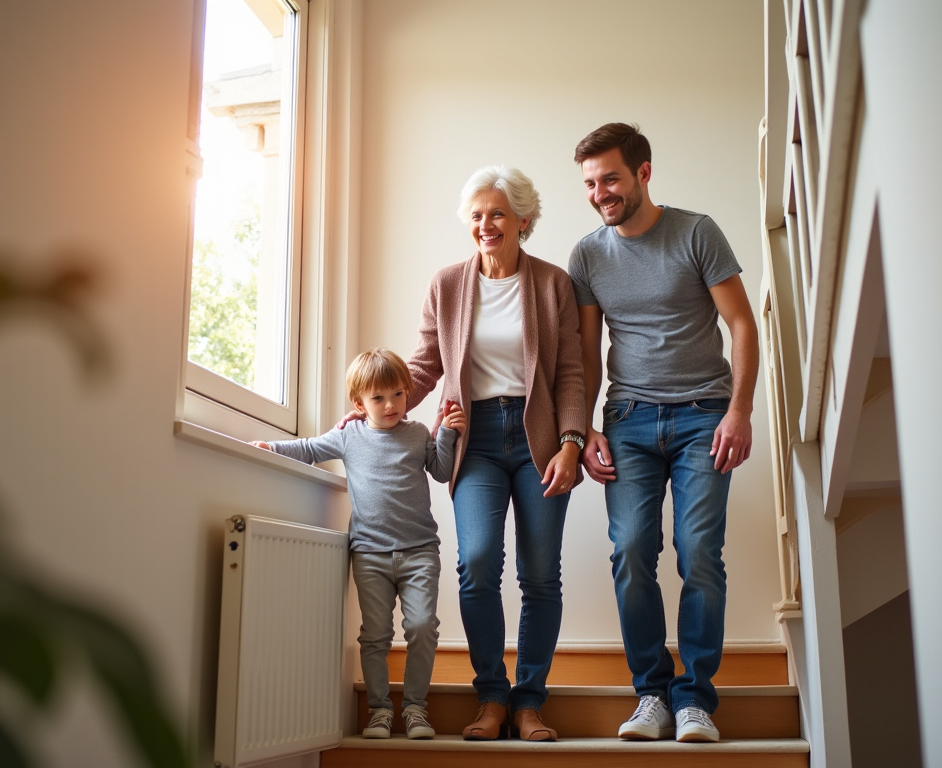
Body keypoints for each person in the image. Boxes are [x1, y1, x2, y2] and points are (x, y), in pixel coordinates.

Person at [568, 123, 759, 743]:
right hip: (628, 420)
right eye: (590, 183)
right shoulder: (588, 255)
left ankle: (695, 699)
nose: (600, 193)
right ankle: (651, 694)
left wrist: (739, 411)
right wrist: (585, 428)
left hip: (705, 414)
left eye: (611, 179)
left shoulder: (696, 232)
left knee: (698, 551)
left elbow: (742, 324)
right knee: (630, 551)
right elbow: (587, 353)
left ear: (643, 173)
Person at [404, 166, 586, 741]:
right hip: (474, 438)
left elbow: (571, 373)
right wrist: (372, 402)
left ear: (523, 221)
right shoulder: (447, 285)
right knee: (478, 564)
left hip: (539, 439)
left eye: (498, 214)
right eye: (477, 215)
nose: (486, 225)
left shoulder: (553, 284)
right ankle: (491, 699)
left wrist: (572, 442)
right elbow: (425, 365)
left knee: (540, 575)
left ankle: (529, 704)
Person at [252, 348, 465, 741]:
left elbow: (439, 471)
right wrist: (272, 448)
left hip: (420, 551)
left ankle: (415, 709)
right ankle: (380, 711)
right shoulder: (349, 435)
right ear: (359, 403)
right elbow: (310, 449)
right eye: (378, 398)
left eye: (398, 394)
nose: (391, 405)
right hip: (369, 554)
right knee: (375, 634)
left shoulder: (418, 433)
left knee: (422, 626)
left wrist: (447, 433)